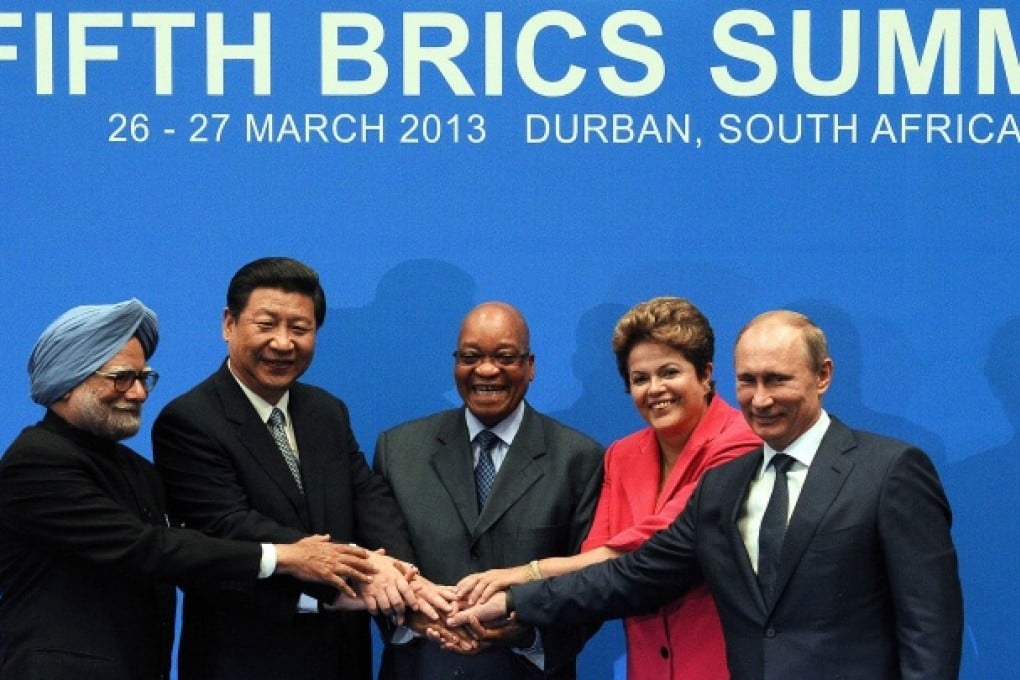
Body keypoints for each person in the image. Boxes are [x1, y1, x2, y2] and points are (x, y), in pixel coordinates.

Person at [451, 310, 964, 680]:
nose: (760, 399)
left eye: (777, 380)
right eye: (748, 382)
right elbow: (635, 575)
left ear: (823, 376)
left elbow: (930, 626)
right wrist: (514, 601)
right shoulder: (725, 486)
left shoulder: (890, 469)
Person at [0, 299, 384, 680]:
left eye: (143, 377)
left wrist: (328, 596)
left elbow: (195, 554)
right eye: (121, 378)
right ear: (67, 381)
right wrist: (286, 556)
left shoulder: (136, 471)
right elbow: (145, 548)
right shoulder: (36, 461)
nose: (138, 393)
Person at [456, 297, 761, 678]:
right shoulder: (622, 455)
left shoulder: (742, 443)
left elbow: (653, 549)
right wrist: (517, 617)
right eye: (640, 378)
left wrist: (524, 575)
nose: (655, 389)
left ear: (705, 374)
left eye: (669, 372)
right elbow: (597, 563)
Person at [152, 258, 426, 680]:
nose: (283, 343)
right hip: (246, 659)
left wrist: (403, 577)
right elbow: (230, 524)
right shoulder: (189, 420)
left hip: (340, 658)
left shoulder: (326, 411)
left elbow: (369, 498)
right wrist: (366, 574)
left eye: (300, 329)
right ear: (229, 324)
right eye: (267, 325)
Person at [372, 301, 605, 679]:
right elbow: (379, 565)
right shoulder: (398, 450)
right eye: (470, 356)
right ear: (455, 364)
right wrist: (412, 618)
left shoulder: (578, 459)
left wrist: (529, 632)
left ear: (530, 367)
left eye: (505, 357)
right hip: (423, 667)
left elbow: (593, 584)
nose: (486, 369)